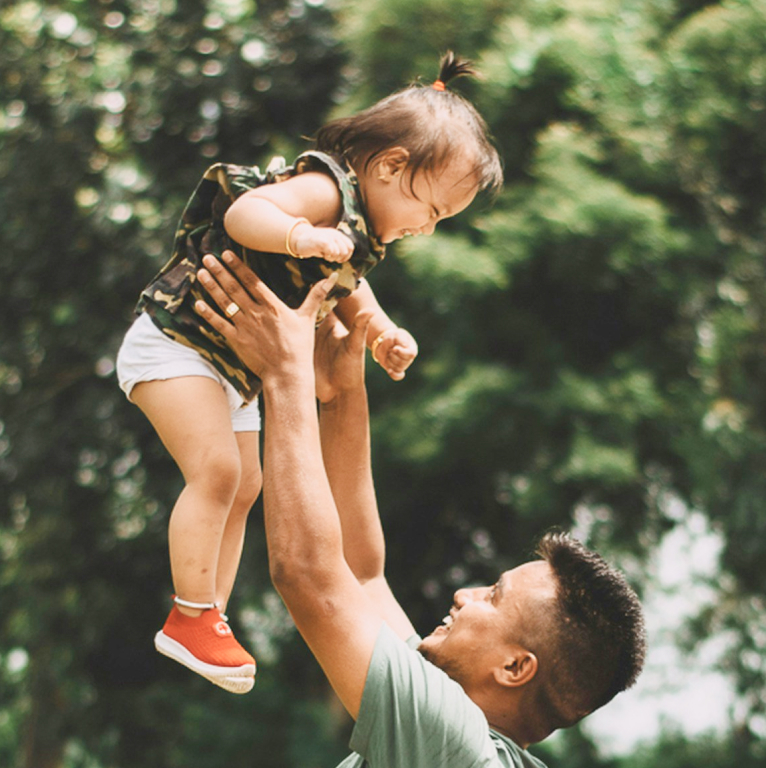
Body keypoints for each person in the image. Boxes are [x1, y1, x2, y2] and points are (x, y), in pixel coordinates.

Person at [115, 52, 503, 693]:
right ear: (389, 167)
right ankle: (189, 613)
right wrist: (301, 237)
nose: (427, 230)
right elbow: (245, 214)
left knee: (246, 484)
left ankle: (209, 613)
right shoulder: (326, 190)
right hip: (177, 343)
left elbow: (351, 291)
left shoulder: (364, 234)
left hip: (231, 369)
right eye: (431, 212)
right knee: (216, 472)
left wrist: (380, 333)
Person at [193, 251, 648, 767]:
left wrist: (284, 371)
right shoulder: (464, 741)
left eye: (493, 597)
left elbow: (308, 575)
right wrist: (342, 392)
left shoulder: (453, 743)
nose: (463, 595)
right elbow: (361, 575)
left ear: (515, 667)